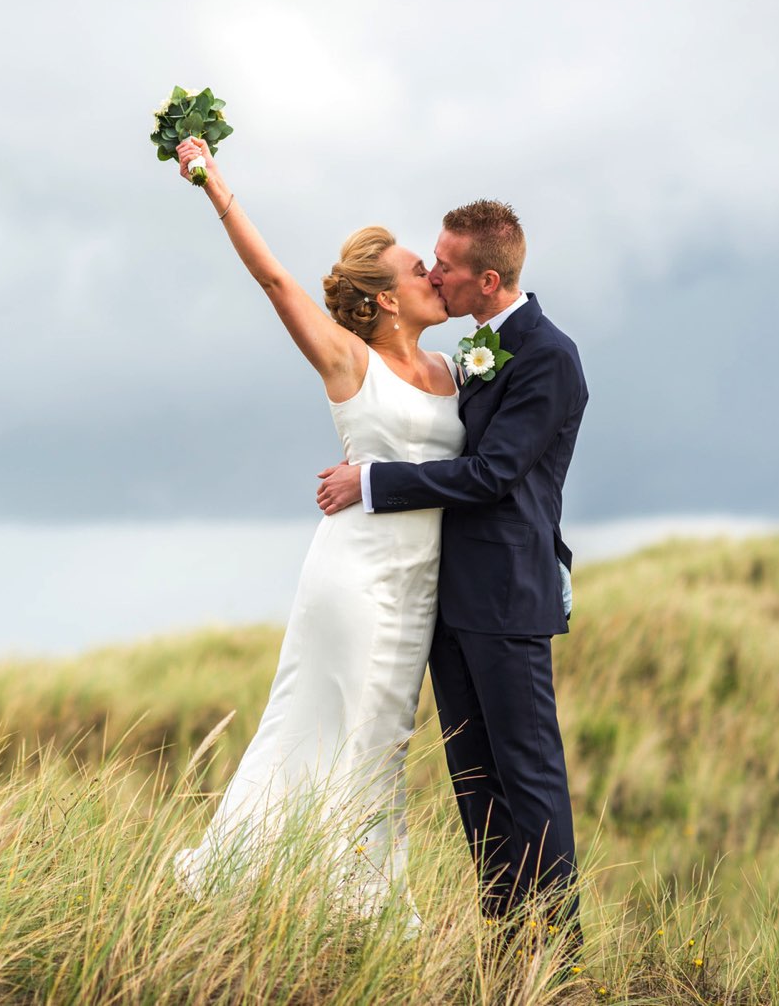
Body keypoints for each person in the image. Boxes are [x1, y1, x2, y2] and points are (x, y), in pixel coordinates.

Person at [165, 137, 461, 921]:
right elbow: (273, 279)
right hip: (355, 578)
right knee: (324, 723)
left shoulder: (458, 373)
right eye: (417, 270)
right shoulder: (348, 362)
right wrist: (213, 185)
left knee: (383, 740)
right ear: (388, 299)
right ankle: (249, 886)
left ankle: (354, 905)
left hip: (419, 588)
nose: (433, 276)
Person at [314, 200, 588, 943]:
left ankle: (558, 961)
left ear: (489, 279)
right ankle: (505, 948)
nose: (433, 272)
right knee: (477, 788)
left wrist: (372, 482)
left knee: (530, 782)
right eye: (430, 259)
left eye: (445, 265)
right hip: (449, 603)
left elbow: (495, 474)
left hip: (508, 601)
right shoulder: (471, 352)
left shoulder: (548, 356)